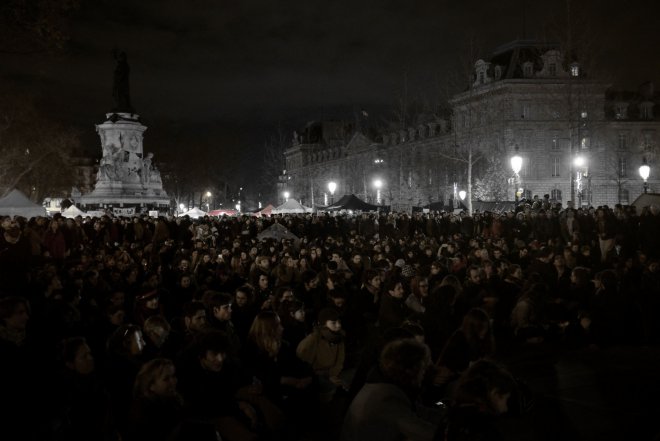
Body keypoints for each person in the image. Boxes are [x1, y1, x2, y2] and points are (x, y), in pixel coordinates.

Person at [342, 338, 439, 441]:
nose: (424, 374)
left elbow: (419, 411)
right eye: (423, 368)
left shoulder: (382, 386)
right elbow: (425, 432)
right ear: (412, 369)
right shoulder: (386, 398)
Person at [444, 360, 516, 441]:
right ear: (494, 393)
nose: (506, 408)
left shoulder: (450, 417)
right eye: (506, 399)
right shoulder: (485, 431)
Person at [127, 358, 185, 441]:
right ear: (151, 385)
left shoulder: (172, 400)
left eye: (173, 376)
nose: (173, 381)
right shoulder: (143, 411)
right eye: (166, 379)